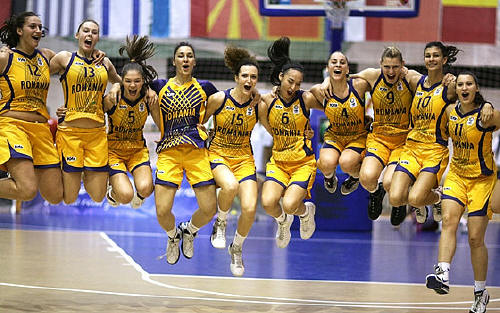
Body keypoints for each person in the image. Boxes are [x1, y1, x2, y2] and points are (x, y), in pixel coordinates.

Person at [425, 72, 498, 313]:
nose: (464, 87)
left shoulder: (487, 115)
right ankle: (443, 275)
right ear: (456, 89)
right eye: (461, 84)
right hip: (456, 175)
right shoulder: (449, 112)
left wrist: (489, 104)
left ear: (476, 88)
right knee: (448, 221)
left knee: (476, 238)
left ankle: (480, 292)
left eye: (469, 84)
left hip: (482, 180)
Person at [150, 42, 218, 265]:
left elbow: (227, 105)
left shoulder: (206, 87)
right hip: (169, 153)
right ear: (174, 61)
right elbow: (131, 85)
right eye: (181, 56)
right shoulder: (159, 86)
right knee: (162, 211)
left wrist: (215, 132)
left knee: (209, 209)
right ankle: (172, 236)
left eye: (189, 56)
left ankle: (189, 230)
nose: (185, 59)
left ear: (195, 62)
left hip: (197, 151)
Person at [50, 19, 121, 204]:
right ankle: (73, 169)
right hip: (70, 134)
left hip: (96, 135)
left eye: (94, 32)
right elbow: (39, 73)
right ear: (77, 35)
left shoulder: (104, 62)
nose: (89, 35)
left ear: (97, 38)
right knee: (70, 198)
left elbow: (122, 81)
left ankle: (88, 173)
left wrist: (115, 88)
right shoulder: (64, 58)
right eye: (86, 31)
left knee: (98, 197)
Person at [259, 37, 321, 249]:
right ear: (280, 77)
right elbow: (269, 128)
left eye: (298, 83)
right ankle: (283, 221)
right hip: (278, 162)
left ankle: (305, 212)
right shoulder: (266, 102)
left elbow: (334, 107)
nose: (294, 87)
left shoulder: (305, 99)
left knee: (290, 204)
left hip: (302, 163)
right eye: (290, 81)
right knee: (268, 203)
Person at [389, 42, 461, 223]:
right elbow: (388, 68)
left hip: (434, 151)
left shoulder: (450, 86)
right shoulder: (415, 80)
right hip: (411, 149)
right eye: (428, 55)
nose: (431, 59)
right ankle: (427, 195)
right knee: (395, 198)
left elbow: (472, 93)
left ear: (444, 59)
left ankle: (438, 196)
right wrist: (328, 79)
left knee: (414, 198)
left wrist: (488, 106)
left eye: (436, 55)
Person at [203, 45, 259, 276]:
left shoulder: (259, 104)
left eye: (253, 77)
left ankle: (236, 248)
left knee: (250, 208)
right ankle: (221, 221)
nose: (249, 80)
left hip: (244, 158)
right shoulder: (218, 99)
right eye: (245, 75)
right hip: (219, 155)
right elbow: (198, 123)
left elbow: (276, 123)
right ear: (236, 78)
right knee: (230, 186)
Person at [0, 11, 63, 204]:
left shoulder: (46, 56)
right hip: (13, 126)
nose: (38, 30)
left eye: (40, 27)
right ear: (19, 30)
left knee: (56, 196)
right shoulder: (5, 58)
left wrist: (95, 56)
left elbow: (76, 69)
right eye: (32, 26)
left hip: (41, 130)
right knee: (27, 190)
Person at [352, 46, 413, 225]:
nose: (391, 71)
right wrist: (325, 83)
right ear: (381, 65)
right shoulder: (372, 75)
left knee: (390, 183)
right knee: (367, 178)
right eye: (387, 66)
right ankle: (375, 193)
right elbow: (343, 79)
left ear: (402, 65)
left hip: (402, 141)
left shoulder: (410, 78)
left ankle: (399, 202)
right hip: (379, 139)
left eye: (395, 66)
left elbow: (433, 84)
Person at [104, 35, 156, 209]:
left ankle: (139, 194)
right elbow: (91, 112)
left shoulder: (148, 98)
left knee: (146, 189)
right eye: (128, 81)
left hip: (137, 150)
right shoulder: (113, 98)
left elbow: (161, 121)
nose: (132, 85)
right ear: (122, 81)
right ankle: (112, 191)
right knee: (125, 196)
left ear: (143, 82)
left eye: (137, 81)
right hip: (114, 152)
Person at [313, 51, 371, 197]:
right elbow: (296, 96)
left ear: (347, 69)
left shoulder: (359, 85)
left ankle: (355, 178)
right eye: (334, 62)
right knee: (325, 164)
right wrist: (277, 89)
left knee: (346, 163)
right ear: (327, 68)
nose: (338, 64)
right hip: (335, 136)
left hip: (357, 136)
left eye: (342, 62)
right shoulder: (319, 91)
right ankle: (329, 177)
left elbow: (379, 83)